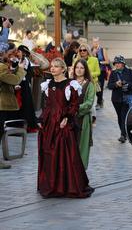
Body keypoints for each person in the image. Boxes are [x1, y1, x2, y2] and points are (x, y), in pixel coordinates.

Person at [38, 58, 94, 198]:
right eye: (52, 66)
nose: (53, 68)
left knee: (65, 154)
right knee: (49, 153)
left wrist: (67, 118)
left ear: (63, 69)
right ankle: (52, 185)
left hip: (63, 123)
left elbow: (74, 104)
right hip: (50, 123)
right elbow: (47, 105)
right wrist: (41, 119)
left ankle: (67, 185)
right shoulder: (48, 84)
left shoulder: (71, 85)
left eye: (56, 66)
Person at [0, 43, 26, 169]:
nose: (10, 55)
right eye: (9, 52)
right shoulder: (1, 67)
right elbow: (14, 79)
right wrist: (20, 69)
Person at [108, 55, 132, 143]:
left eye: (119, 63)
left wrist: (127, 84)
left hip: (127, 97)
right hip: (116, 99)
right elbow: (109, 86)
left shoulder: (129, 72)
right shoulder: (113, 73)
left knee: (124, 115)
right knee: (119, 116)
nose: (117, 65)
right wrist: (116, 84)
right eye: (115, 63)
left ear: (123, 64)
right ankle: (123, 133)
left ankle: (123, 134)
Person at [73, 59, 96, 170]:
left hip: (83, 120)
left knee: (82, 147)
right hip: (70, 119)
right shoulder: (70, 82)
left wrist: (76, 109)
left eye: (81, 68)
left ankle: (80, 172)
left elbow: (89, 103)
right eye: (77, 67)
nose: (79, 70)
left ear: (85, 69)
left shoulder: (89, 85)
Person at [75, 43, 100, 126]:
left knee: (91, 104)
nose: (82, 52)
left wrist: (87, 74)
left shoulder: (94, 60)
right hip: (78, 83)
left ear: (88, 50)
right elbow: (74, 71)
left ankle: (92, 118)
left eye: (84, 50)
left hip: (91, 83)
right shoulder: (76, 60)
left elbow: (98, 72)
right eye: (80, 50)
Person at [15, 45, 38, 132]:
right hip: (19, 84)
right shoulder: (19, 60)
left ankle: (25, 125)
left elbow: (26, 74)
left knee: (25, 104)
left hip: (23, 85)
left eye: (19, 52)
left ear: (23, 53)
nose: (18, 53)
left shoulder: (25, 61)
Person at [91, 37, 110, 108]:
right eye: (94, 42)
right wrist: (93, 54)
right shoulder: (91, 50)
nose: (95, 43)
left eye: (96, 42)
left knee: (100, 87)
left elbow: (107, 61)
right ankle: (100, 99)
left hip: (101, 71)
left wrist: (100, 62)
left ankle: (99, 102)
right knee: (95, 87)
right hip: (93, 71)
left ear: (98, 42)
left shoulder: (102, 50)